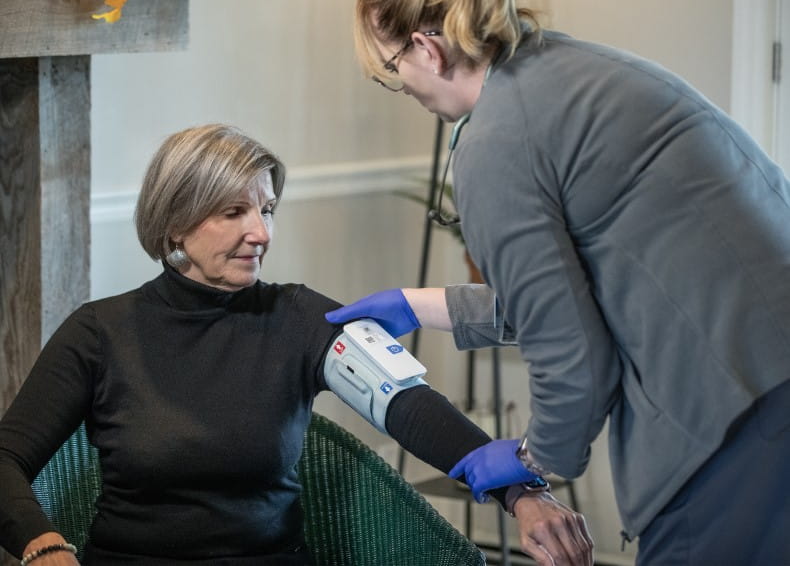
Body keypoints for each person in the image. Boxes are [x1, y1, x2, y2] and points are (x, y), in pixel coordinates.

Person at [326, 0, 790, 565]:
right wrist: (417, 306)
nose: (403, 86)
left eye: (392, 67)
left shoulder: (496, 138)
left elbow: (572, 355)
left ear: (427, 48)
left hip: (736, 413)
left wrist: (532, 460)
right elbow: (583, 294)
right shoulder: (568, 71)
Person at [0, 124, 554, 565]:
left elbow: (411, 408)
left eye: (266, 209)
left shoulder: (299, 316)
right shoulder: (99, 332)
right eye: (234, 211)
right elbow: (7, 458)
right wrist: (44, 546)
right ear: (174, 224)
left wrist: (520, 495)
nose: (262, 232)